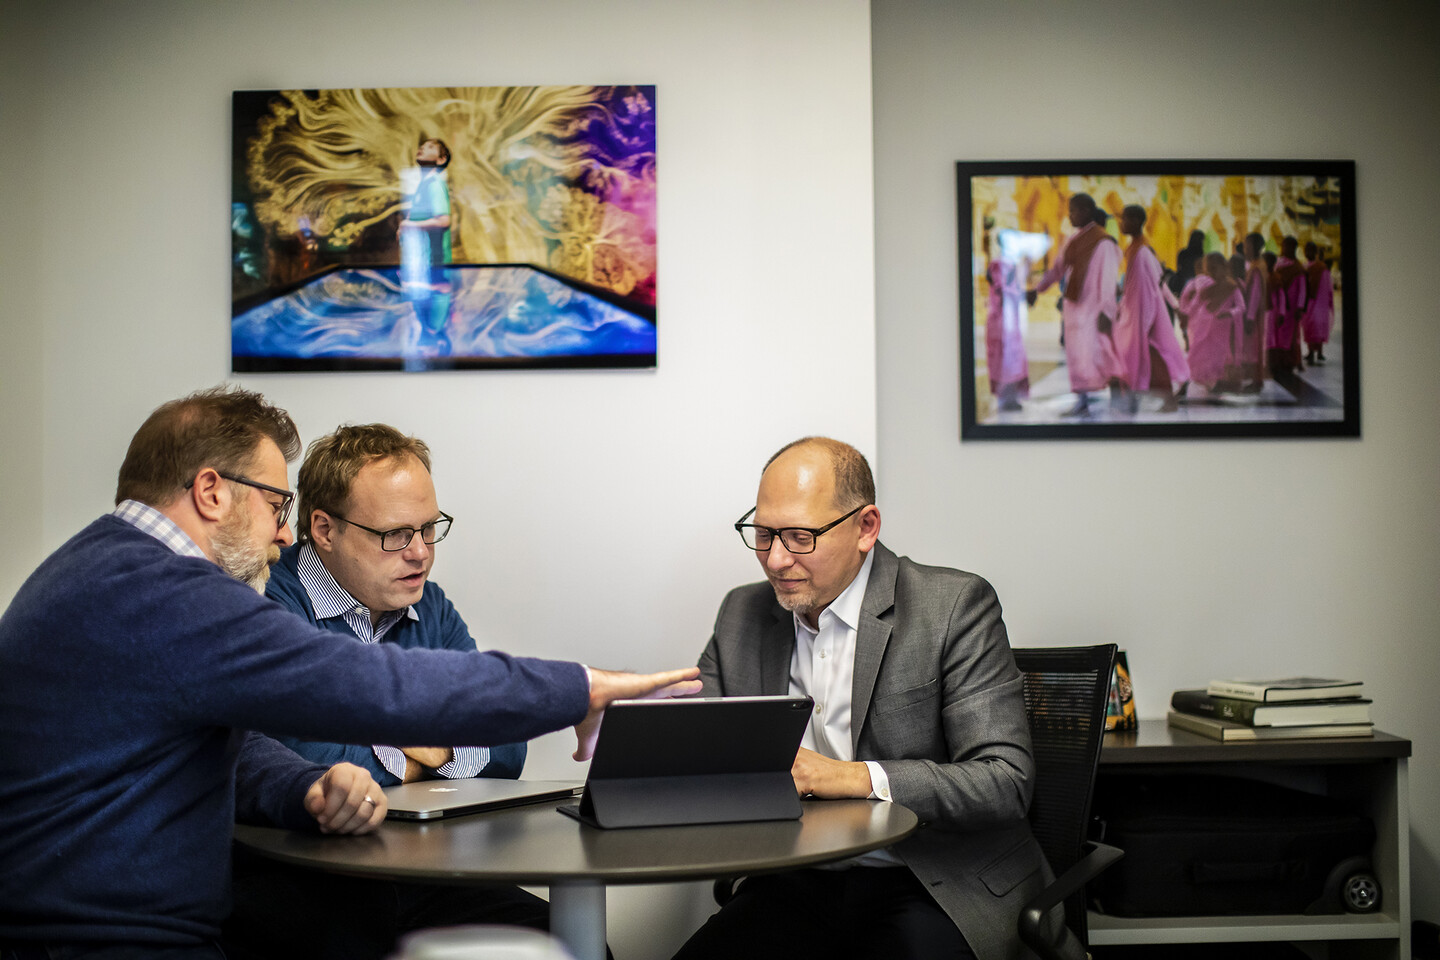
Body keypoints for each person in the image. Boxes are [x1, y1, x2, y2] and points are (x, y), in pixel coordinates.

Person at [0, 386, 700, 959]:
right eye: (276, 506)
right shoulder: (167, 593)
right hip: (104, 943)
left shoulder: (102, 569)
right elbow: (370, 688)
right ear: (211, 491)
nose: (283, 531)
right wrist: (578, 689)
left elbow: (230, 751)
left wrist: (305, 787)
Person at [673, 437, 1075, 960]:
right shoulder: (741, 616)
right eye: (764, 534)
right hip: (799, 879)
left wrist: (851, 776)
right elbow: (705, 752)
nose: (774, 559)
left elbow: (1004, 780)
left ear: (866, 528)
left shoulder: (952, 606)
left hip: (934, 881)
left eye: (800, 536)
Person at [223, 423, 548, 960]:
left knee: (572, 941)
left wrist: (379, 745)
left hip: (429, 873)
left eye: (429, 528)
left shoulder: (431, 607)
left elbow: (507, 741)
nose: (420, 553)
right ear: (324, 529)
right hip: (307, 882)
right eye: (395, 534)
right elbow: (303, 754)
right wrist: (436, 742)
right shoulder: (265, 605)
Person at [1028, 193, 1121, 416]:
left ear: (1087, 211)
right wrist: (1037, 289)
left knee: (1102, 354)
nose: (1069, 215)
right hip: (1074, 310)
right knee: (1078, 357)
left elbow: (1108, 281)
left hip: (1095, 310)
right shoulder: (1072, 240)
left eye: (1074, 211)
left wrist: (1107, 311)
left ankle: (1118, 399)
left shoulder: (1103, 242)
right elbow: (1057, 269)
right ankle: (1082, 402)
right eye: (1070, 211)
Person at [1113, 205, 1190, 412]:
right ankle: (1134, 396)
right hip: (1136, 314)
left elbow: (1148, 289)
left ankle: (1169, 398)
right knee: (1137, 355)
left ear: (1137, 221)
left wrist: (1142, 322)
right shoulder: (1136, 248)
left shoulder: (1142, 252)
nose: (1122, 223)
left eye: (1126, 218)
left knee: (1152, 356)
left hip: (1142, 316)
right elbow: (1154, 283)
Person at [984, 229, 1050, 412]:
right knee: (1005, 358)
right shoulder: (998, 264)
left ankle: (1011, 398)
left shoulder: (1011, 263)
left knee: (1013, 358)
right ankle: (1006, 399)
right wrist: (1024, 294)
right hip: (1002, 321)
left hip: (1010, 320)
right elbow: (1003, 290)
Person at [1175, 252, 1246, 397]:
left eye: (1215, 268)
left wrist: (1229, 313)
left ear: (1224, 267)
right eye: (1208, 270)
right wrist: (1184, 314)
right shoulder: (1206, 286)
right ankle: (1188, 384)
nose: (1211, 273)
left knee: (1217, 361)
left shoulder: (1232, 285)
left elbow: (1241, 307)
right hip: (1202, 329)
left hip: (1221, 332)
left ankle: (1215, 385)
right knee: (1195, 357)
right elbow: (1195, 304)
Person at [1267, 236, 1307, 377]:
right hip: (1277, 305)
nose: (1287, 249)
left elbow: (1302, 289)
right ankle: (1276, 362)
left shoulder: (1298, 268)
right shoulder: (1277, 263)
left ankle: (1288, 362)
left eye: (1290, 246)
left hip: (1292, 307)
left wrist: (1300, 307)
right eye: (1285, 246)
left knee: (1288, 336)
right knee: (1275, 334)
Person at [1302, 241, 1334, 365]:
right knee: (1309, 328)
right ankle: (1310, 352)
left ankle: (1319, 352)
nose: (1307, 253)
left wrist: (1328, 301)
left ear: (1315, 253)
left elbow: (1328, 287)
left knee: (1319, 327)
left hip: (1320, 304)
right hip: (1308, 303)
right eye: (1306, 250)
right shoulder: (1304, 267)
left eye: (1310, 250)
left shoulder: (1322, 268)